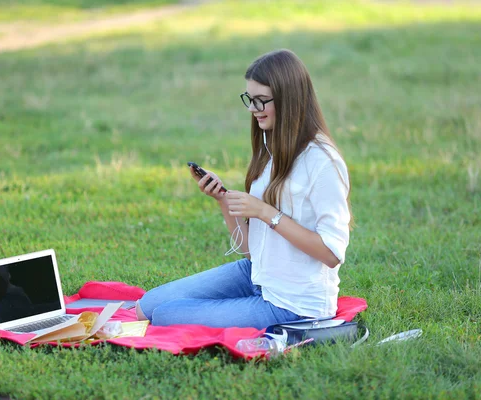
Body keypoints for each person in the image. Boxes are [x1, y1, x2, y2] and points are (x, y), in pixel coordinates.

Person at [136, 49, 352, 329]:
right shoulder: (271, 148)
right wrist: (223, 201)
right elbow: (252, 251)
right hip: (257, 276)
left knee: (164, 316)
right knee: (146, 307)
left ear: (289, 100)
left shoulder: (322, 161)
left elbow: (332, 253)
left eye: (261, 101)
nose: (252, 109)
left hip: (292, 304)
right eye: (250, 99)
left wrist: (266, 212)